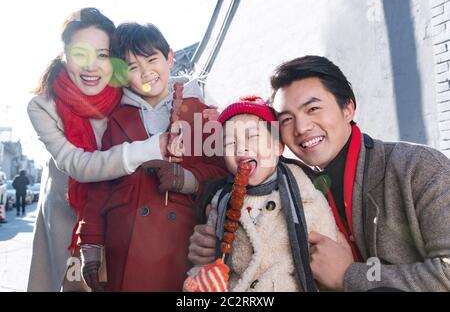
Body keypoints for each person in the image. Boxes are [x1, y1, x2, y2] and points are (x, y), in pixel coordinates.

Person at [188, 55, 450, 292]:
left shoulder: (417, 168)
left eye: (313, 109)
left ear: (348, 108)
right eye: (287, 119)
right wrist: (219, 243)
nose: (301, 127)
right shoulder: (292, 183)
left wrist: (350, 275)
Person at [27, 8, 218, 292]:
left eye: (102, 54)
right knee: (74, 280)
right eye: (81, 53)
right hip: (70, 197)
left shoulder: (135, 96)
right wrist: (89, 238)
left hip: (156, 226)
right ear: (64, 54)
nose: (92, 66)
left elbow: (215, 164)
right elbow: (81, 167)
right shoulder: (44, 105)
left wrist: (188, 178)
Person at [77, 22, 227, 292]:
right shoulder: (116, 121)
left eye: (151, 59)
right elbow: (99, 187)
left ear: (169, 57)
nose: (146, 72)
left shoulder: (202, 113)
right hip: (124, 245)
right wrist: (91, 245)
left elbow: (222, 174)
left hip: (182, 247)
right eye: (133, 67)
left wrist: (189, 179)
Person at [182, 96, 338, 292]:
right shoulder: (220, 202)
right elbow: (207, 264)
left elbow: (327, 262)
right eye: (230, 143)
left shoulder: (307, 196)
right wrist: (197, 282)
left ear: (278, 146)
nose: (241, 148)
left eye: (253, 137)